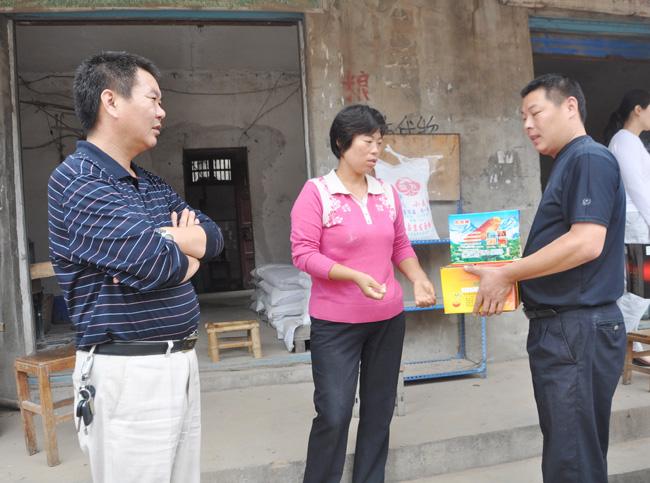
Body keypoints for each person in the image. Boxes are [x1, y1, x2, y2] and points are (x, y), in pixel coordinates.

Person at [48, 51, 223, 482]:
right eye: (153, 99)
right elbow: (156, 263)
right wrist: (180, 248)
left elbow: (215, 238)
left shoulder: (151, 184)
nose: (162, 112)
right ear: (111, 101)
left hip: (179, 361)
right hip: (129, 372)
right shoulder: (79, 180)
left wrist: (164, 239)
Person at [466, 74, 627, 483]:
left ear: (570, 107)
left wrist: (507, 273)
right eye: (522, 117)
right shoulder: (569, 162)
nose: (527, 125)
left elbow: (586, 243)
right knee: (571, 452)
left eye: (535, 113)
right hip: (566, 328)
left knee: (572, 460)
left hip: (576, 328)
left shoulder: (588, 158)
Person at [290, 104, 436, 483]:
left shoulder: (386, 193)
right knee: (334, 412)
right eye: (367, 142)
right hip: (335, 324)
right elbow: (303, 254)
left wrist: (418, 278)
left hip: (387, 320)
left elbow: (400, 245)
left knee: (379, 410)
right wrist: (353, 276)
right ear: (342, 143)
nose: (376, 150)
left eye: (379, 143)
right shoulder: (317, 193)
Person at [604, 89, 650, 366]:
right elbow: (637, 188)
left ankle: (627, 347)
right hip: (636, 222)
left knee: (633, 289)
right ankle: (612, 345)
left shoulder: (630, 141)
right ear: (638, 109)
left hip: (637, 221)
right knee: (640, 291)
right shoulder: (624, 141)